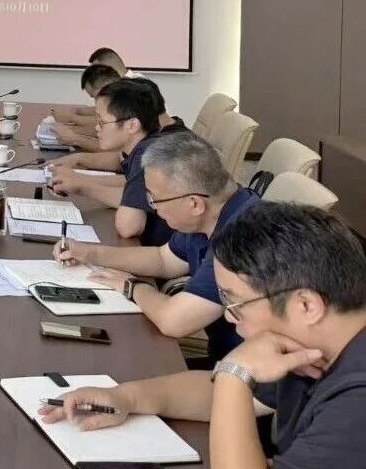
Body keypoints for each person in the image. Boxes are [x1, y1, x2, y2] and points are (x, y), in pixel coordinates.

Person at [40, 203, 366, 469]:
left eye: (235, 303)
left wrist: (234, 373)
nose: (228, 316)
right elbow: (220, 396)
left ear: (306, 305)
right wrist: (127, 397)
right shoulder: (314, 344)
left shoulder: (357, 404)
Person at [54, 131, 260, 363]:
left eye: (155, 200)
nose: (154, 208)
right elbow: (164, 259)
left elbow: (174, 321)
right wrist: (90, 252)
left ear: (194, 204)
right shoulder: (214, 213)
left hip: (248, 374)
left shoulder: (241, 240)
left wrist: (132, 286)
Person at [49, 78, 171, 243]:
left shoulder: (148, 156)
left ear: (132, 125)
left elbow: (128, 227)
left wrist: (83, 186)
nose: (97, 128)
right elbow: (132, 198)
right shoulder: (145, 147)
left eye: (102, 122)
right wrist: (80, 185)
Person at [51, 63, 122, 152]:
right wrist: (66, 130)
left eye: (96, 96)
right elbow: (99, 130)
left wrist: (75, 138)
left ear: (107, 86)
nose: (96, 102)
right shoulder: (117, 101)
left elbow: (114, 150)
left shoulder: (127, 107)